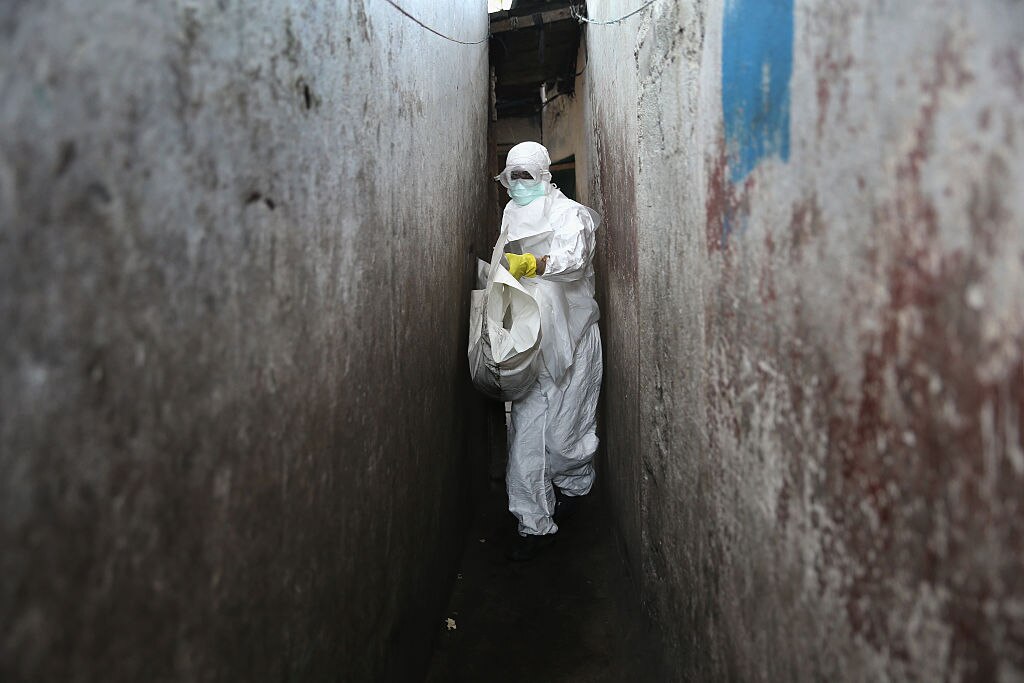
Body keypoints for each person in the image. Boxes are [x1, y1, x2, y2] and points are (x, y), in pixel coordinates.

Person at [493, 141, 603, 561]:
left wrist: (536, 265)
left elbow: (574, 261)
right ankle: (532, 521)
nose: (518, 184)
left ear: (544, 175)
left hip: (571, 339)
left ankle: (575, 488)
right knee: (524, 432)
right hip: (528, 338)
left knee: (563, 435)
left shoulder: (569, 214)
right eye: (512, 176)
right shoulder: (510, 213)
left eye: (526, 175)